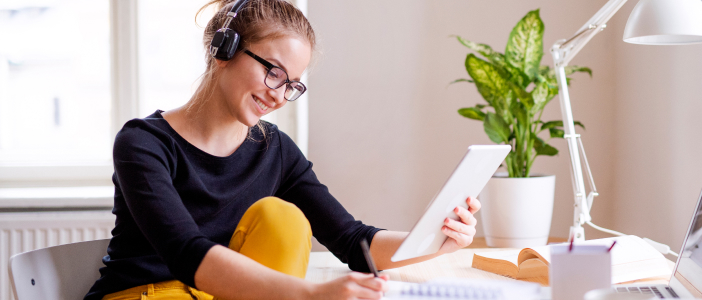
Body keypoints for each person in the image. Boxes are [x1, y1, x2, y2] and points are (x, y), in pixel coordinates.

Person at [85, 0, 481, 299]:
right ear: (224, 50)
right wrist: (311, 294)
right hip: (144, 294)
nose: (279, 95)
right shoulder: (143, 143)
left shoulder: (275, 150)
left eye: (292, 84)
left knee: (283, 219)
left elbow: (353, 241)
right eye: (273, 72)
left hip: (219, 295)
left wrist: (434, 238)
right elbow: (187, 254)